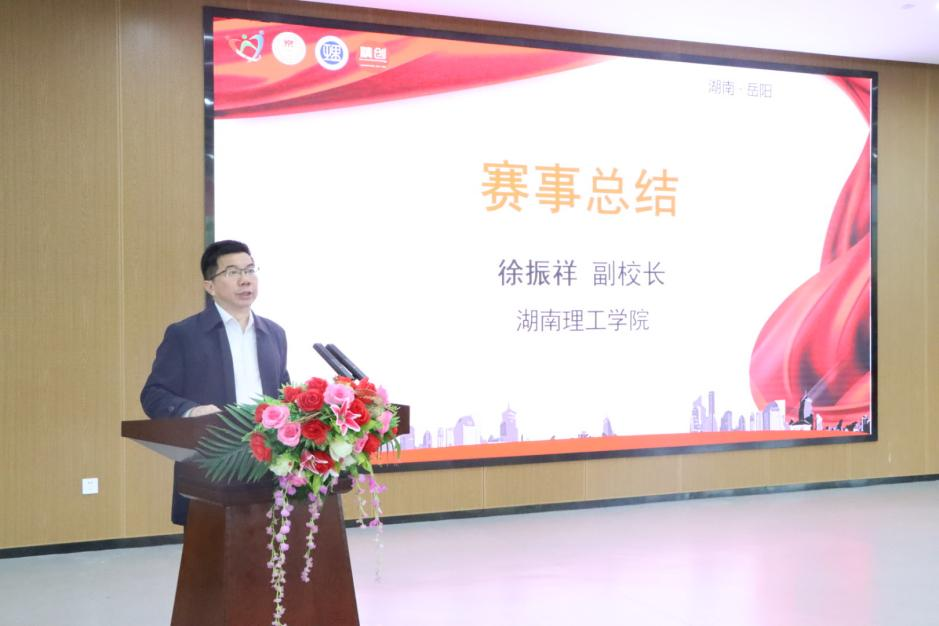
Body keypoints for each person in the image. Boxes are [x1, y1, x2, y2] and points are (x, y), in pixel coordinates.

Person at [140, 240, 289, 524]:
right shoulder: (186, 334)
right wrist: (191, 411)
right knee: (214, 546)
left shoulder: (275, 334)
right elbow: (154, 394)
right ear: (210, 286)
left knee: (269, 547)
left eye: (250, 270)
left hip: (269, 464)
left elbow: (283, 394)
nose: (245, 280)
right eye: (233, 272)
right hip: (212, 465)